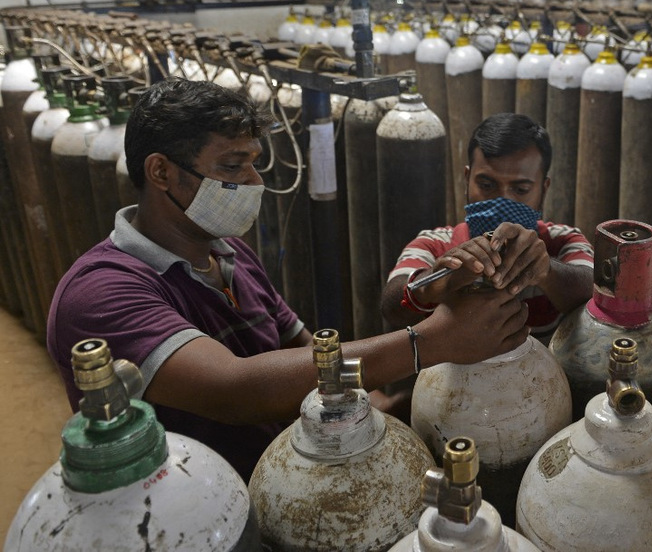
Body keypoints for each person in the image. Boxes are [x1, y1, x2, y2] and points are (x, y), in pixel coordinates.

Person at [46, 79, 529, 481]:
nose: (255, 182)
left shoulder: (231, 254)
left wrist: (400, 403)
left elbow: (311, 361)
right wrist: (429, 342)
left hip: (286, 477)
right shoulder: (102, 292)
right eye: (233, 166)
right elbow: (235, 390)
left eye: (255, 162)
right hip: (202, 508)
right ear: (161, 172)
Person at [382, 113, 594, 342]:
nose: (502, 201)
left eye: (520, 189)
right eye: (486, 185)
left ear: (544, 189)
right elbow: (392, 307)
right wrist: (438, 282)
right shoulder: (434, 244)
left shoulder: (564, 240)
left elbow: (593, 297)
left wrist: (546, 271)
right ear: (467, 178)